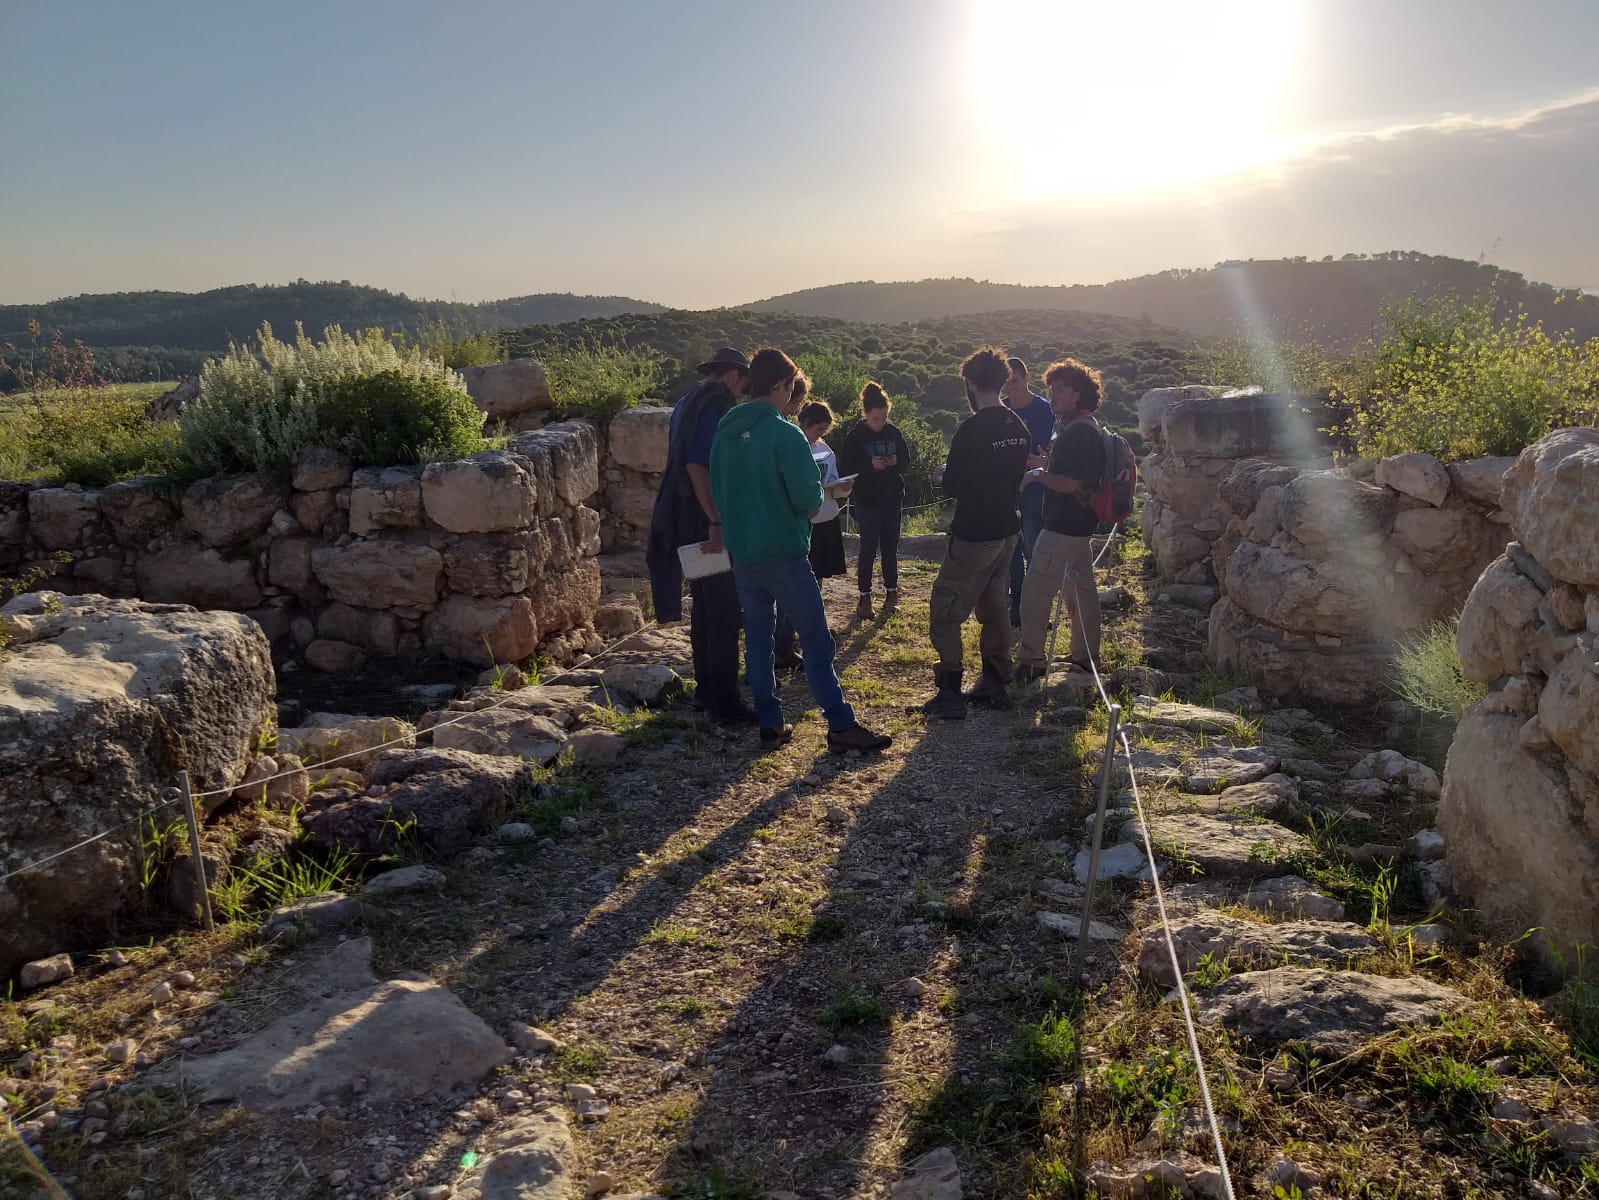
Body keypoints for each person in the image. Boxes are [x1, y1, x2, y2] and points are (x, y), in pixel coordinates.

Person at [710, 348, 892, 754]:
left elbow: (718, 491)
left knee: (758, 640)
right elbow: (809, 501)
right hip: (784, 553)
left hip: (743, 553)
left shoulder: (726, 430)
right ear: (780, 385)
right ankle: (840, 724)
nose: (792, 393)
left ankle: (770, 723)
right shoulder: (785, 434)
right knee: (816, 640)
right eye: (791, 385)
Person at [645, 346, 757, 725]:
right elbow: (697, 464)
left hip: (684, 516)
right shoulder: (713, 404)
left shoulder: (685, 403)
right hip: (703, 521)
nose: (740, 393)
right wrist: (715, 520)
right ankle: (724, 701)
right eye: (742, 385)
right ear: (732, 375)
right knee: (723, 610)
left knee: (705, 607)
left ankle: (706, 693)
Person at [924, 348, 1032, 720]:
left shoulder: (971, 430)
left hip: (974, 532)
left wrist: (944, 475)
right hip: (1007, 528)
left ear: (970, 383)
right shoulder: (1018, 427)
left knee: (945, 608)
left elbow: (955, 484)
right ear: (1002, 381)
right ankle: (995, 682)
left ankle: (950, 691)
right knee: (994, 606)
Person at [1015, 358, 1107, 682]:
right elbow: (1075, 476)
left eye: (1060, 390)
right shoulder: (1086, 427)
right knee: (1081, 593)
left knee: (1035, 591)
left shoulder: (1078, 433)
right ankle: (1084, 657)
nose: (1052, 396)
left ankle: (1031, 660)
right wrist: (1047, 465)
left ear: (1078, 395)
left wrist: (1036, 475)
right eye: (1051, 389)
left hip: (1063, 526)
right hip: (1080, 525)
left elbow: (1072, 484)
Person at [840, 382, 911, 620]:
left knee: (890, 548)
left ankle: (891, 594)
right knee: (868, 549)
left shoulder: (894, 432)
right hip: (867, 500)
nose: (880, 423)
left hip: (892, 499)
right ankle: (864, 598)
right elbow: (845, 468)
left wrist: (895, 462)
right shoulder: (856, 436)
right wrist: (869, 465)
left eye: (883, 418)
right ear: (866, 413)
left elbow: (906, 461)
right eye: (875, 419)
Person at [1003, 358, 1057, 626]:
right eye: (1006, 382)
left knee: (1033, 550)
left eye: (1015, 380)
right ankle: (1016, 609)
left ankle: (1036, 611)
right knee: (1012, 551)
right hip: (1007, 490)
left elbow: (1040, 450)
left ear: (1026, 378)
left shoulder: (1043, 409)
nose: (1010, 387)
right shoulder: (1001, 408)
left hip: (1035, 489)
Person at [798, 399, 850, 582]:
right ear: (806, 423)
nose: (821, 434)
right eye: (819, 429)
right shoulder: (793, 445)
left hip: (826, 517)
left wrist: (842, 487)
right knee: (803, 572)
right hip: (806, 519)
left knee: (819, 573)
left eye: (824, 431)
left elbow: (832, 481)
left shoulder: (824, 448)